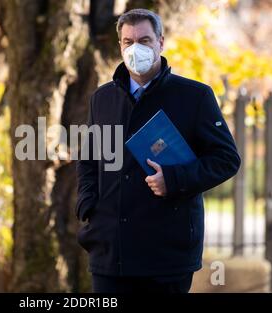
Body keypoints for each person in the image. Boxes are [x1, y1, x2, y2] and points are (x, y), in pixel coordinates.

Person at [75, 8, 241, 293]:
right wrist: (89, 206)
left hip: (166, 254)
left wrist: (174, 180)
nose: (135, 48)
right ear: (120, 46)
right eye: (128, 42)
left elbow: (226, 159)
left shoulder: (194, 96)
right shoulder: (102, 98)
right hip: (110, 252)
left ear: (160, 42)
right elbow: (89, 160)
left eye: (145, 40)